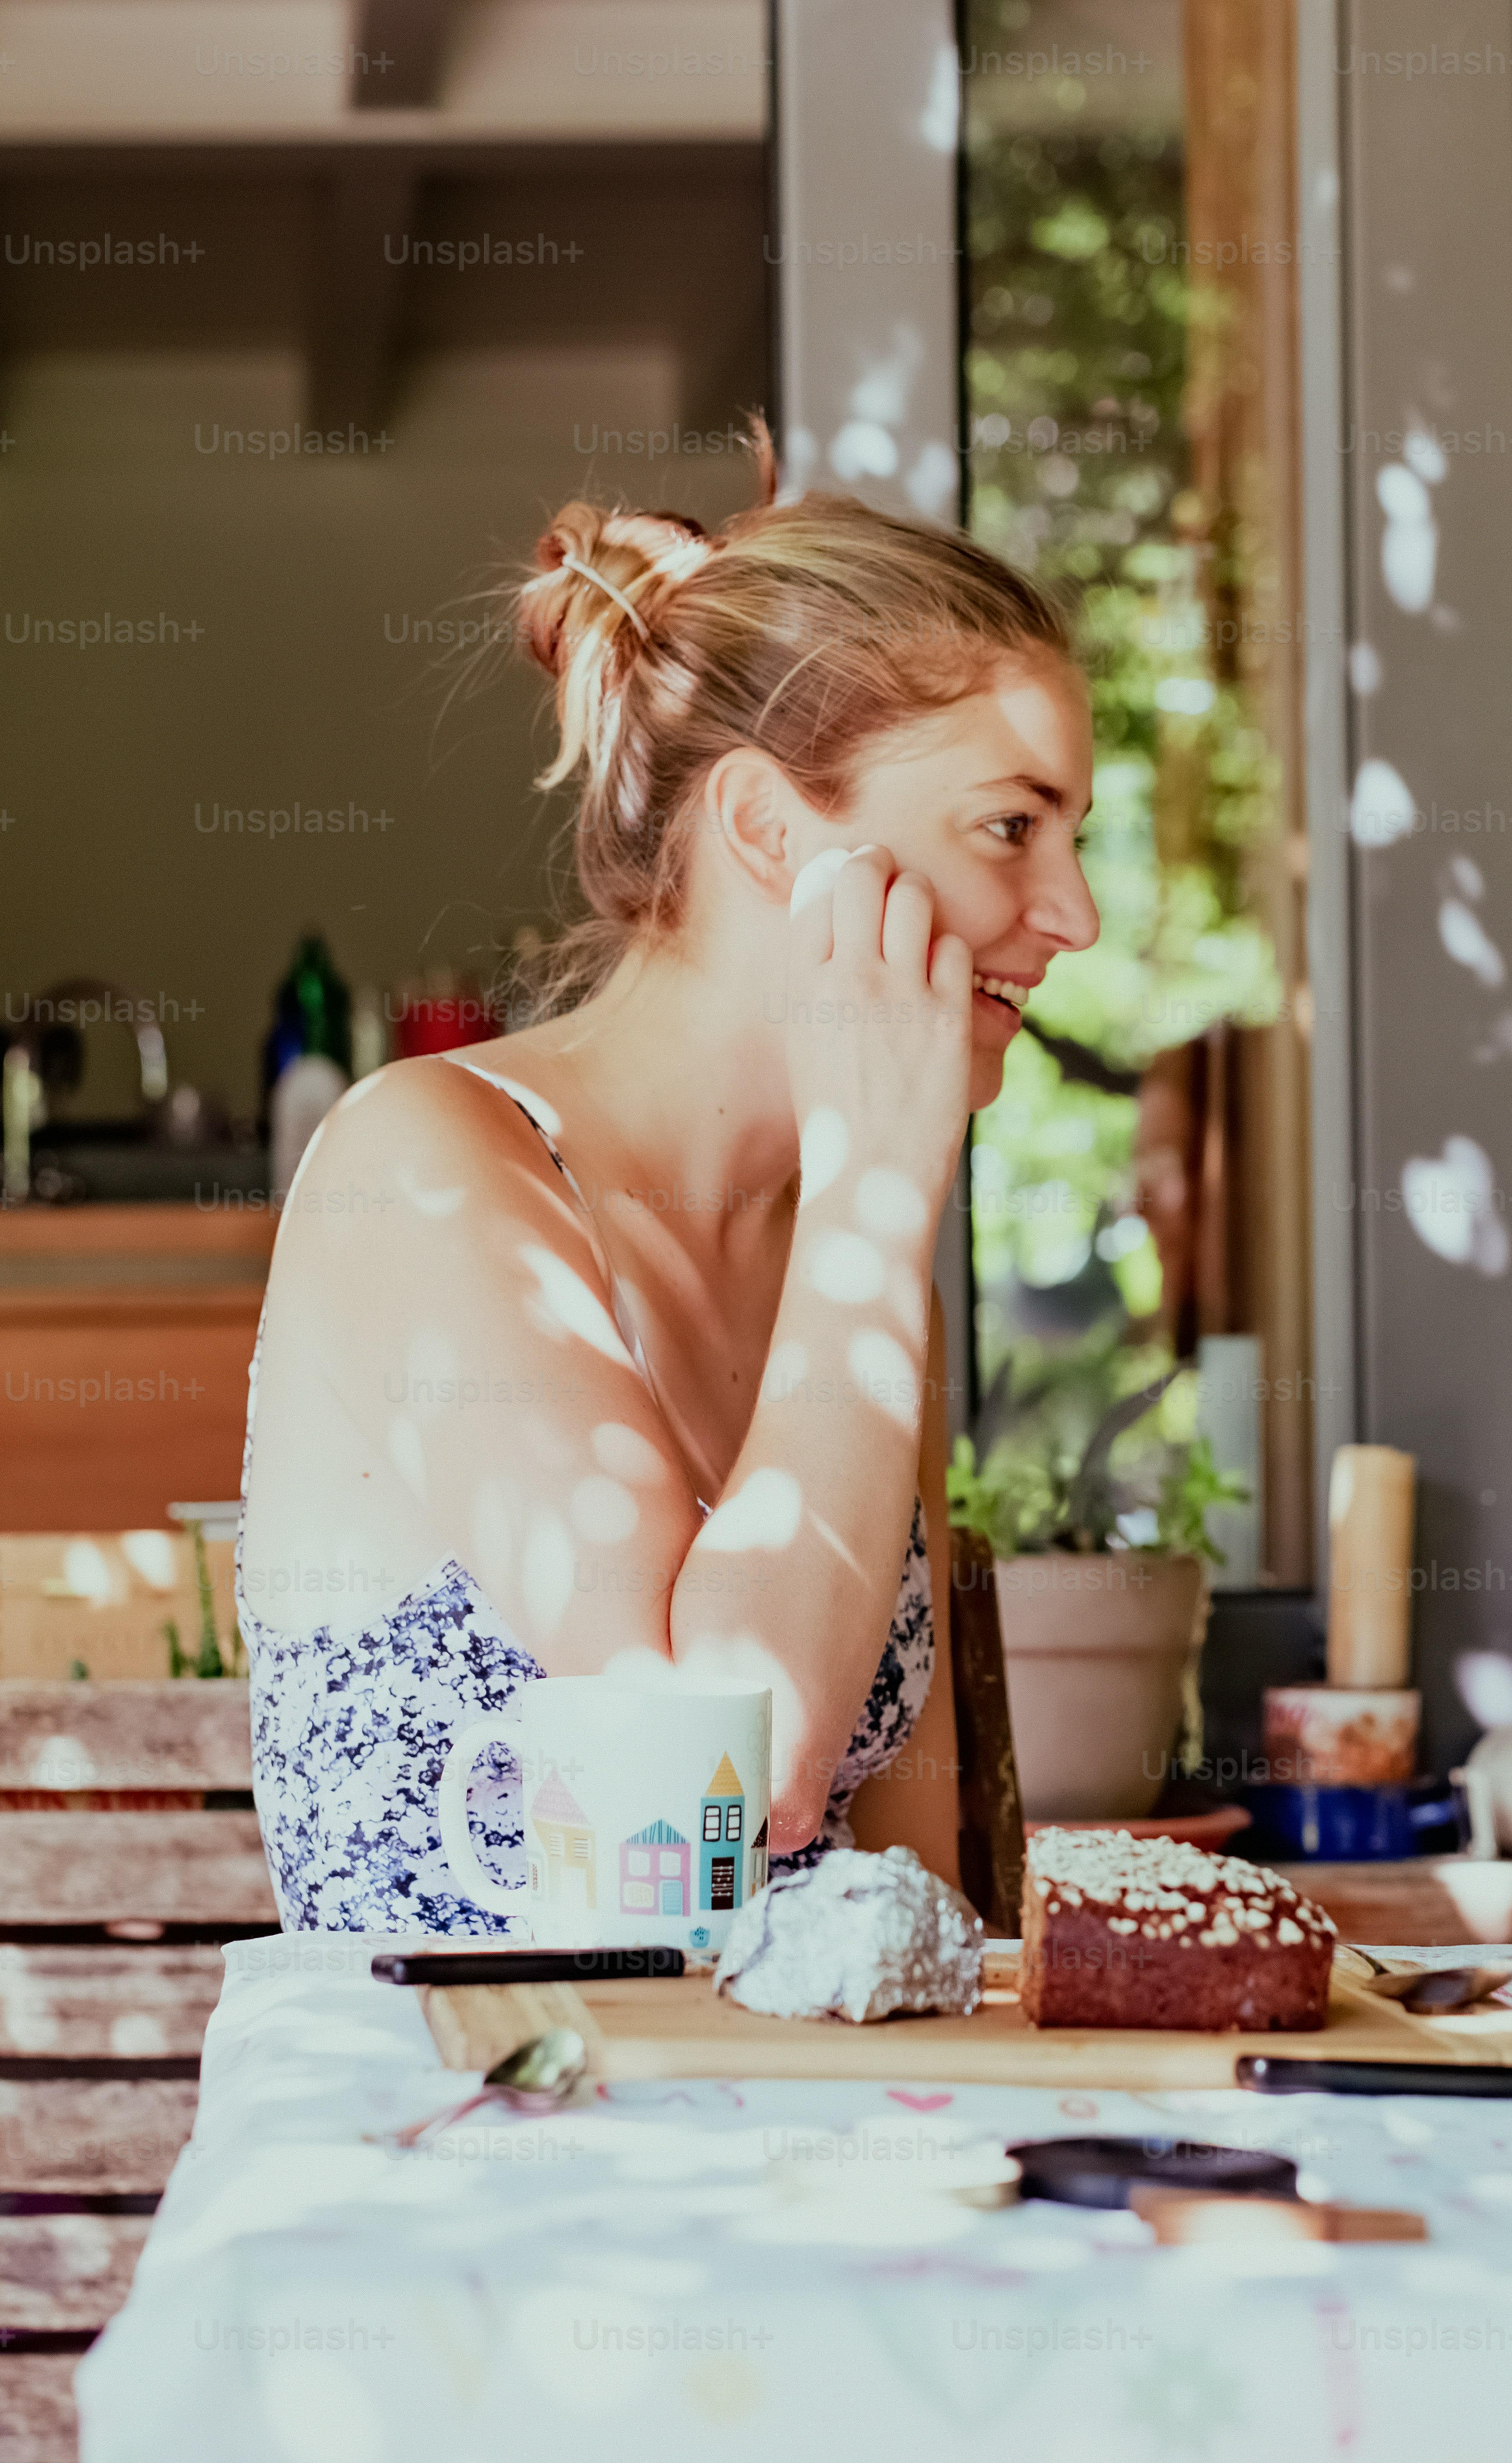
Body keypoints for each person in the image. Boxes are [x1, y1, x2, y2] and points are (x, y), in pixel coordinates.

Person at [238, 449, 1097, 1931]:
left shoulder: (858, 1275)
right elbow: (717, 1768)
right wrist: (876, 1208)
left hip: (791, 2141)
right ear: (769, 832)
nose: (1075, 915)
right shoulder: (431, 1167)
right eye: (1011, 826)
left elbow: (919, 1898)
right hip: (472, 2137)